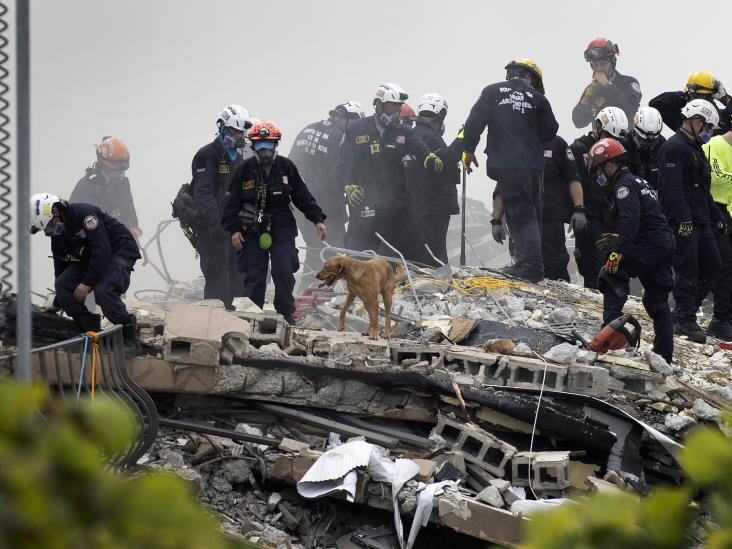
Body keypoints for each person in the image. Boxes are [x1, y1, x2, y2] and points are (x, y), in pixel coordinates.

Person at [462, 58, 559, 282]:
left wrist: (469, 150)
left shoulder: (492, 92)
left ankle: (531, 266)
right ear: (529, 78)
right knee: (532, 213)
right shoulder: (539, 98)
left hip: (508, 164)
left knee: (519, 213)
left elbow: (474, 121)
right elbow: (550, 130)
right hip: (534, 167)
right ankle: (532, 263)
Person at [221, 120, 327, 324]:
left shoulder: (287, 167)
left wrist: (317, 219)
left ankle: (286, 314)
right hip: (251, 230)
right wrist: (234, 230)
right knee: (255, 274)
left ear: (275, 144)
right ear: (252, 146)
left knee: (284, 270)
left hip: (282, 227)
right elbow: (230, 204)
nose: (264, 149)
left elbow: (303, 196)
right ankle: (252, 316)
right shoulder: (244, 170)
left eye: (268, 144)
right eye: (259, 145)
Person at [588, 139, 675, 363]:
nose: (599, 174)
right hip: (663, 243)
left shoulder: (622, 186)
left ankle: (608, 338)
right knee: (657, 301)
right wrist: (621, 239)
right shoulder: (639, 181)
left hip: (650, 244)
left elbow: (631, 221)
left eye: (599, 168)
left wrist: (618, 251)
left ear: (608, 165)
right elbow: (647, 220)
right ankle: (663, 357)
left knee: (611, 273)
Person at [336, 83, 442, 262]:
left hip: (397, 201)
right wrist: (348, 186)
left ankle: (426, 280)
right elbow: (343, 164)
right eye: (394, 106)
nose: (397, 111)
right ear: (379, 105)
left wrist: (428, 156)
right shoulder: (357, 129)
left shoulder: (403, 131)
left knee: (419, 242)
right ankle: (358, 285)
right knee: (359, 252)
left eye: (399, 107)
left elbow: (418, 145)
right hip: (364, 199)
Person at [30, 193, 142, 354]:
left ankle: (129, 336)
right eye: (46, 229)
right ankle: (91, 332)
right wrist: (57, 301)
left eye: (49, 225)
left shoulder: (85, 215)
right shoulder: (58, 231)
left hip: (119, 251)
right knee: (62, 284)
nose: (50, 231)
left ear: (55, 212)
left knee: (103, 290)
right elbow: (60, 265)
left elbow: (102, 251)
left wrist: (87, 283)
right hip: (93, 255)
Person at [658, 99, 722, 343]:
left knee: (712, 265)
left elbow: (703, 190)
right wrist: (683, 220)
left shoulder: (694, 147)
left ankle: (685, 311)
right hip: (684, 221)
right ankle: (685, 319)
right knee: (687, 268)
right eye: (707, 128)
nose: (708, 134)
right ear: (697, 122)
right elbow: (671, 190)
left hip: (702, 219)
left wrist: (716, 216)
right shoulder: (674, 148)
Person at [288, 101, 364, 289]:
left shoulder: (309, 129)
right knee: (332, 251)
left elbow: (289, 164)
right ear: (347, 119)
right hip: (323, 207)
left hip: (297, 203)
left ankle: (306, 294)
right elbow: (340, 171)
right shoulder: (341, 137)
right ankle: (316, 295)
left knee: (315, 249)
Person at [190, 105, 252, 309]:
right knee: (218, 283)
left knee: (238, 283)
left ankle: (235, 331)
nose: (240, 136)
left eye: (242, 132)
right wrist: (217, 226)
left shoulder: (239, 158)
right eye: (236, 131)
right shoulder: (207, 155)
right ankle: (212, 335)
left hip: (235, 231)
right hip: (212, 231)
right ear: (224, 128)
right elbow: (203, 194)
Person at [570, 106, 629, 288]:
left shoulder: (619, 150)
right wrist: (576, 210)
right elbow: (572, 180)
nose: (614, 142)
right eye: (610, 137)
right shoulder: (578, 149)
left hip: (611, 215)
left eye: (617, 139)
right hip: (589, 217)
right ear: (598, 128)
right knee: (592, 267)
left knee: (614, 265)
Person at [405, 93, 463, 265]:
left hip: (421, 201)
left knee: (426, 245)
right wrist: (462, 139)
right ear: (440, 115)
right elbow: (447, 159)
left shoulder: (416, 134)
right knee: (435, 248)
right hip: (434, 203)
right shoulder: (429, 136)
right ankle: (435, 281)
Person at [70, 136, 141, 238]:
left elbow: (130, 210)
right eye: (114, 171)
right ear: (102, 164)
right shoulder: (86, 185)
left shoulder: (124, 184)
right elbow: (73, 219)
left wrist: (134, 227)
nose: (118, 175)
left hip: (122, 241)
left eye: (121, 172)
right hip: (95, 244)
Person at [540, 136, 586, 281]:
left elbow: (573, 177)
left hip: (551, 217)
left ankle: (560, 299)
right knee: (527, 264)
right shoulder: (518, 140)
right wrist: (498, 219)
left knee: (555, 264)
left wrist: (579, 208)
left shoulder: (557, 144)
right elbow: (507, 182)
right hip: (524, 217)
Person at [572, 38, 641, 129]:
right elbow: (578, 122)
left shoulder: (628, 82)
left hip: (625, 139)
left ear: (613, 62)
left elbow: (630, 106)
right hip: (601, 140)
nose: (599, 69)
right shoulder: (592, 89)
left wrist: (606, 85)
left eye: (602, 64)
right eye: (595, 65)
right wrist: (586, 100)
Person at [704, 123, 732, 340]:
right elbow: (717, 176)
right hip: (717, 213)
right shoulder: (715, 144)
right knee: (723, 266)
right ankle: (719, 320)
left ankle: (726, 317)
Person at [650, 71, 732, 133]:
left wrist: (727, 100)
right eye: (693, 96)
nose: (696, 101)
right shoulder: (684, 122)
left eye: (700, 96)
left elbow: (723, 122)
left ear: (710, 97)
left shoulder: (719, 119)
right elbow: (656, 103)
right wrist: (683, 96)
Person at [622, 107, 665, 190]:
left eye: (653, 140)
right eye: (643, 140)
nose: (647, 144)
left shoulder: (663, 144)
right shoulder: (624, 145)